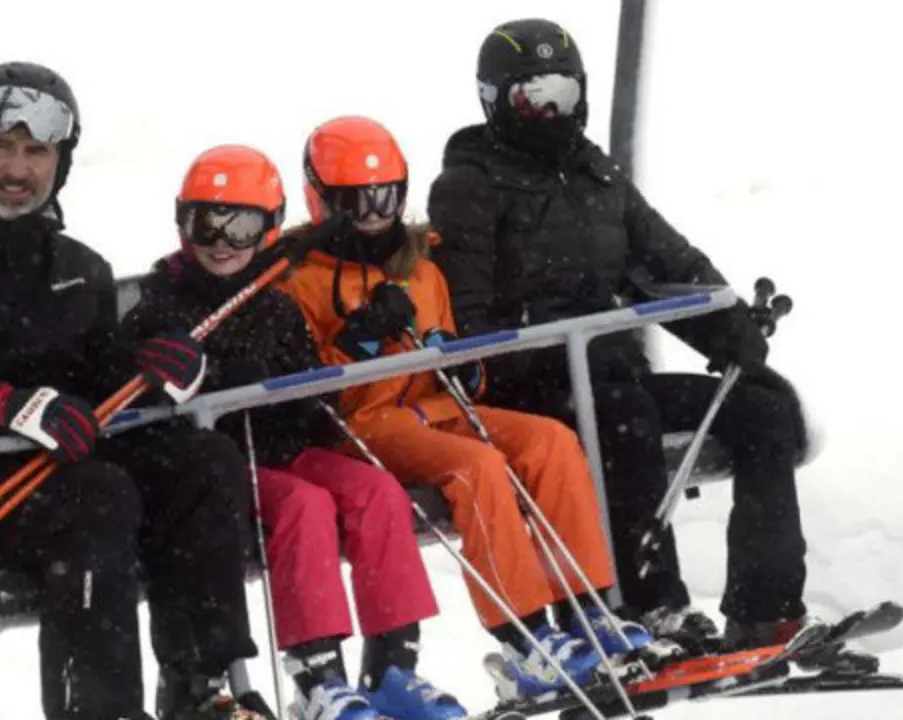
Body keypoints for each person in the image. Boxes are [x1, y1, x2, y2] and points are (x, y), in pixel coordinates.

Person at [0, 61, 258, 719]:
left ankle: (201, 688)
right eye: (1, 146)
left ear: (60, 163)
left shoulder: (78, 268)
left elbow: (99, 382)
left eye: (36, 152)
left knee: (203, 461)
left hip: (58, 470)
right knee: (97, 495)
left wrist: (155, 371)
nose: (17, 169)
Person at [426, 18, 813, 652]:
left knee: (763, 408)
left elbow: (667, 262)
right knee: (625, 414)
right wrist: (555, 348)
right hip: (530, 391)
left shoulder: (594, 175)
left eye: (563, 94)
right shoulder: (469, 188)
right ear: (495, 101)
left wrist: (728, 327)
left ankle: (766, 611)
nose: (551, 113)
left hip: (611, 374)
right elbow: (467, 319)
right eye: (532, 97)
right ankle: (650, 606)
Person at [278, 115, 659, 701]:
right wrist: (359, 340)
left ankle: (585, 606)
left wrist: (464, 368)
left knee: (550, 441)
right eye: (355, 201)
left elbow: (459, 357)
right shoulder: (300, 281)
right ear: (321, 200)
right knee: (475, 466)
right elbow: (308, 395)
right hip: (365, 426)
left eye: (387, 197)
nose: (374, 213)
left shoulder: (421, 268)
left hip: (432, 409)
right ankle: (523, 634)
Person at [120, 144, 467, 720]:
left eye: (241, 226)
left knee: (378, 491)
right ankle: (318, 676)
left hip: (286, 446)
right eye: (205, 223)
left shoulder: (276, 302)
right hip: (226, 466)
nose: (222, 242)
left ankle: (393, 667)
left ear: (271, 226)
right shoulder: (164, 304)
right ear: (182, 223)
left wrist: (304, 385)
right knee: (306, 506)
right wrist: (211, 380)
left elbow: (315, 391)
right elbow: (138, 383)